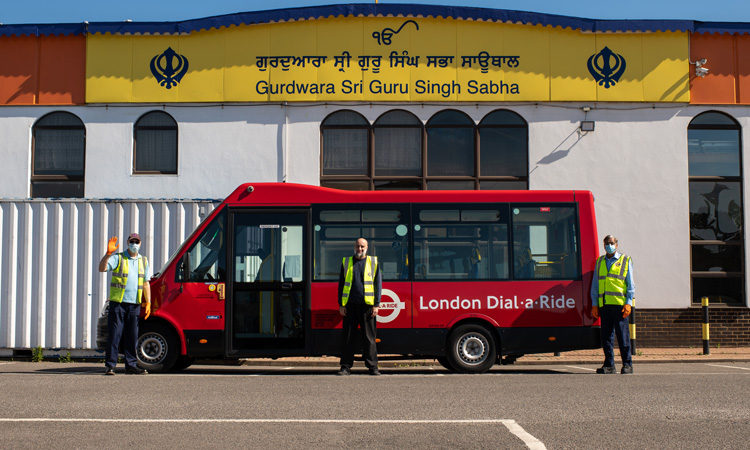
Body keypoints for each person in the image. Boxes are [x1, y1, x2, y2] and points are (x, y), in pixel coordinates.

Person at [98, 233, 152, 375]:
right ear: (128, 243)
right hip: (119, 303)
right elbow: (102, 268)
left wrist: (148, 302)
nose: (134, 244)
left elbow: (146, 283)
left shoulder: (143, 261)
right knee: (115, 335)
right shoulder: (118, 258)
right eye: (132, 241)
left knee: (132, 336)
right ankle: (110, 365)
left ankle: (131, 365)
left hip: (134, 304)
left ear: (140, 244)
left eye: (137, 241)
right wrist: (108, 254)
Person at [591, 235, 635, 374]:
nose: (609, 245)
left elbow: (630, 285)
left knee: (623, 337)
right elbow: (595, 285)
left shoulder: (625, 260)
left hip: (620, 306)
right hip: (604, 305)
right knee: (606, 337)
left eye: (611, 243)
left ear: (616, 244)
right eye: (606, 243)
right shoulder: (600, 262)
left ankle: (627, 365)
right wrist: (594, 304)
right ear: (603, 245)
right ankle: (609, 365)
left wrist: (628, 303)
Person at [337, 238, 382, 376]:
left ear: (367, 247)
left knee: (369, 338)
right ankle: (345, 367)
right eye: (358, 246)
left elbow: (378, 284)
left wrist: (376, 304)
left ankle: (373, 367)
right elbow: (341, 284)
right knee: (348, 338)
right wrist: (341, 304)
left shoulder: (373, 262)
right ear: (354, 247)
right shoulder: (346, 262)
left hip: (367, 307)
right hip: (350, 306)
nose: (360, 249)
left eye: (362, 246)